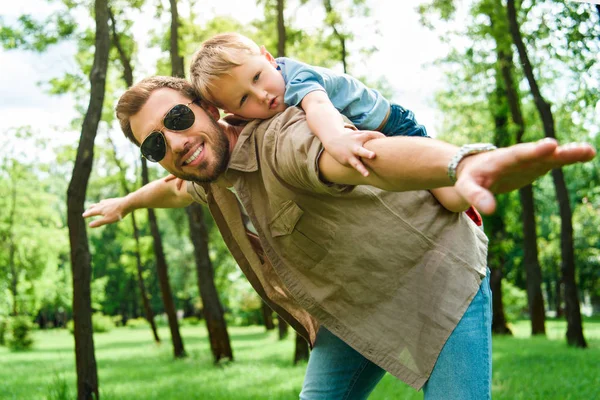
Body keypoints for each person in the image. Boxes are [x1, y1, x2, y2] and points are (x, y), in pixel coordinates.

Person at [83, 76, 594, 399]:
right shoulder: (209, 177)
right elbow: (172, 192)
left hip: (436, 278)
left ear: (209, 109)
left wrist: (461, 162)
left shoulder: (282, 139)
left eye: (178, 119)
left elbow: (365, 163)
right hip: (354, 309)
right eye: (155, 143)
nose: (175, 142)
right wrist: (126, 203)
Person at [188, 32, 478, 219]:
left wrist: (336, 138)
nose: (262, 95)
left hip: (393, 124)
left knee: (453, 200)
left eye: (257, 77)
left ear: (268, 58)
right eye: (243, 99)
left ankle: (472, 166)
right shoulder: (257, 105)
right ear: (231, 110)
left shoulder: (299, 78)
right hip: (373, 134)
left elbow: (318, 106)